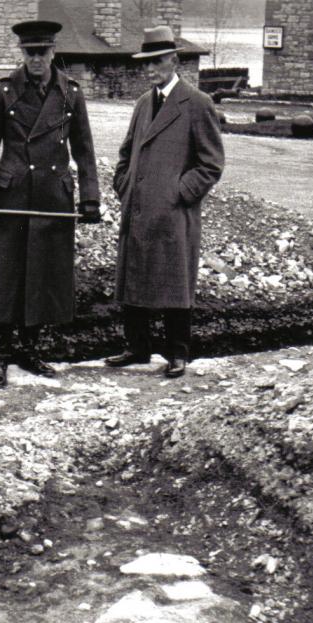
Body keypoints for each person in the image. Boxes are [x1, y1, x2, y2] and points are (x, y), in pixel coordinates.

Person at [0, 19, 101, 388]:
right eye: (30, 53)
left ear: (53, 52)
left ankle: (29, 350)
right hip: (10, 196)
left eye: (43, 52)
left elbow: (85, 151)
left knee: (43, 276)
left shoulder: (71, 93)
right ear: (22, 53)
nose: (37, 59)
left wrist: (91, 198)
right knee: (4, 276)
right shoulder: (5, 91)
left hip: (52, 198)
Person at [106, 25, 225, 378]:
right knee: (135, 278)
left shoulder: (197, 103)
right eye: (147, 63)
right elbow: (126, 152)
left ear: (174, 60)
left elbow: (211, 164)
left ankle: (177, 353)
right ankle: (137, 347)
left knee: (174, 280)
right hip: (139, 208)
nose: (151, 69)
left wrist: (179, 192)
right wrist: (125, 185)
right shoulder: (144, 103)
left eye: (157, 61)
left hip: (174, 214)